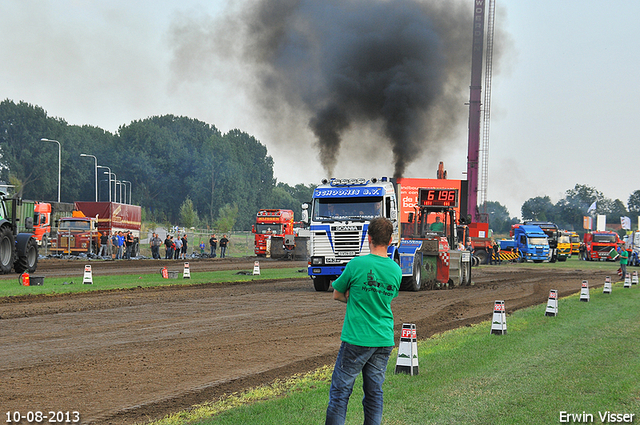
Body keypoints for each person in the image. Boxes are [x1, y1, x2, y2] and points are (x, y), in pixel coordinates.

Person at [325, 217, 402, 425]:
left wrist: (352, 296)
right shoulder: (396, 270)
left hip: (357, 337)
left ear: (368, 238)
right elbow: (386, 297)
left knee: (340, 392)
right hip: (383, 338)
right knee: (374, 392)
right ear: (391, 239)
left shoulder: (357, 264)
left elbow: (337, 294)